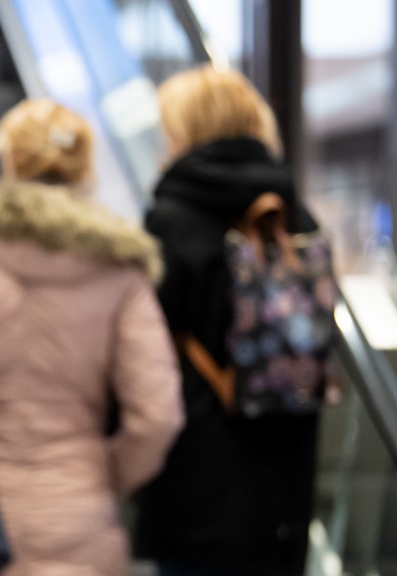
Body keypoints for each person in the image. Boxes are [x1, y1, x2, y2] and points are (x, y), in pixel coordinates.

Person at [0, 99, 184, 576]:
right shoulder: (121, 273)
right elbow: (158, 414)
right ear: (85, 169)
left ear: (10, 161)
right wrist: (101, 476)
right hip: (82, 525)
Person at [133, 65, 322, 576]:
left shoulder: (171, 219)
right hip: (285, 477)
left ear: (187, 129)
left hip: (198, 479)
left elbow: (144, 347)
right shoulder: (291, 215)